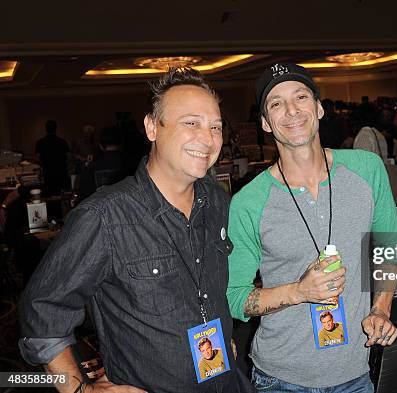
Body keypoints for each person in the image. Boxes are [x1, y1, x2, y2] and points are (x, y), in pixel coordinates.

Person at [19, 68, 243, 393]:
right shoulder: (105, 216)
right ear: (152, 127)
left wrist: (226, 341)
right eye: (191, 123)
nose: (208, 139)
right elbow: (42, 309)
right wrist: (80, 389)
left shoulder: (217, 202)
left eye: (216, 127)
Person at [227, 62, 397, 392]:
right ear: (265, 123)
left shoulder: (367, 170)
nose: (291, 110)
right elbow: (236, 298)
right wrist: (299, 292)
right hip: (281, 378)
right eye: (276, 103)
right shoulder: (248, 202)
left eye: (301, 97)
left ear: (319, 108)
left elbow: (391, 248)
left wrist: (380, 309)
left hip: (355, 372)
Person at [35, 120, 71, 196]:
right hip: (61, 172)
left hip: (48, 173)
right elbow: (69, 157)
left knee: (49, 195)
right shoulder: (62, 141)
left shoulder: (40, 142)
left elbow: (38, 159)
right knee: (61, 195)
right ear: (56, 129)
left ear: (46, 129)